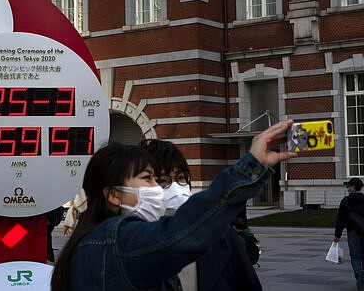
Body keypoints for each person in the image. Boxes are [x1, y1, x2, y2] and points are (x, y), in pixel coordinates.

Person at [51, 120, 297, 290]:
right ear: (113, 195)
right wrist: (251, 166)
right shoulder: (119, 241)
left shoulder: (85, 244)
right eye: (149, 179)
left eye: (179, 179)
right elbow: (186, 232)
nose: (158, 189)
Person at [139, 139, 262, 291]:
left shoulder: (220, 235)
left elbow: (249, 283)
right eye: (163, 180)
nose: (176, 188)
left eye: (180, 178)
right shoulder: (130, 247)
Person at [335, 177, 364, 290]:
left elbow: (340, 220)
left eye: (349, 186)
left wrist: (337, 235)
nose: (348, 188)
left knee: (355, 257)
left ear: (353, 187)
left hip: (353, 232)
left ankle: (359, 274)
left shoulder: (345, 201)